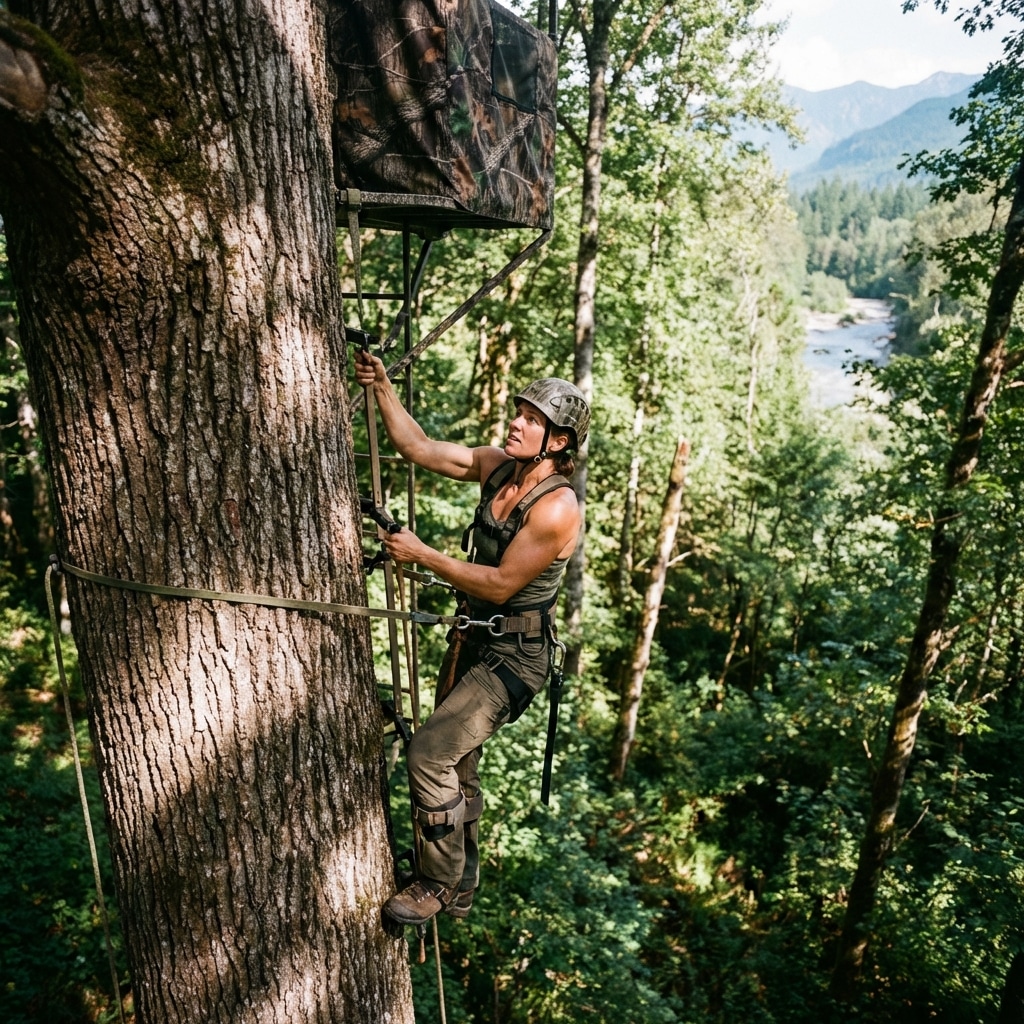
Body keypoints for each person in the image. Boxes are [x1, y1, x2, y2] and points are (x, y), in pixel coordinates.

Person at [353, 349, 590, 925]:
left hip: (514, 656)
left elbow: (505, 584)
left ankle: (436, 883)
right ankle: (464, 880)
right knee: (457, 767)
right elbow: (419, 448)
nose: (516, 422)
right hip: (472, 641)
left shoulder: (558, 508)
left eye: (532, 419)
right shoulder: (498, 468)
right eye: (519, 411)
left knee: (429, 753)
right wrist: (383, 387)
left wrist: (422, 553)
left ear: (557, 442)